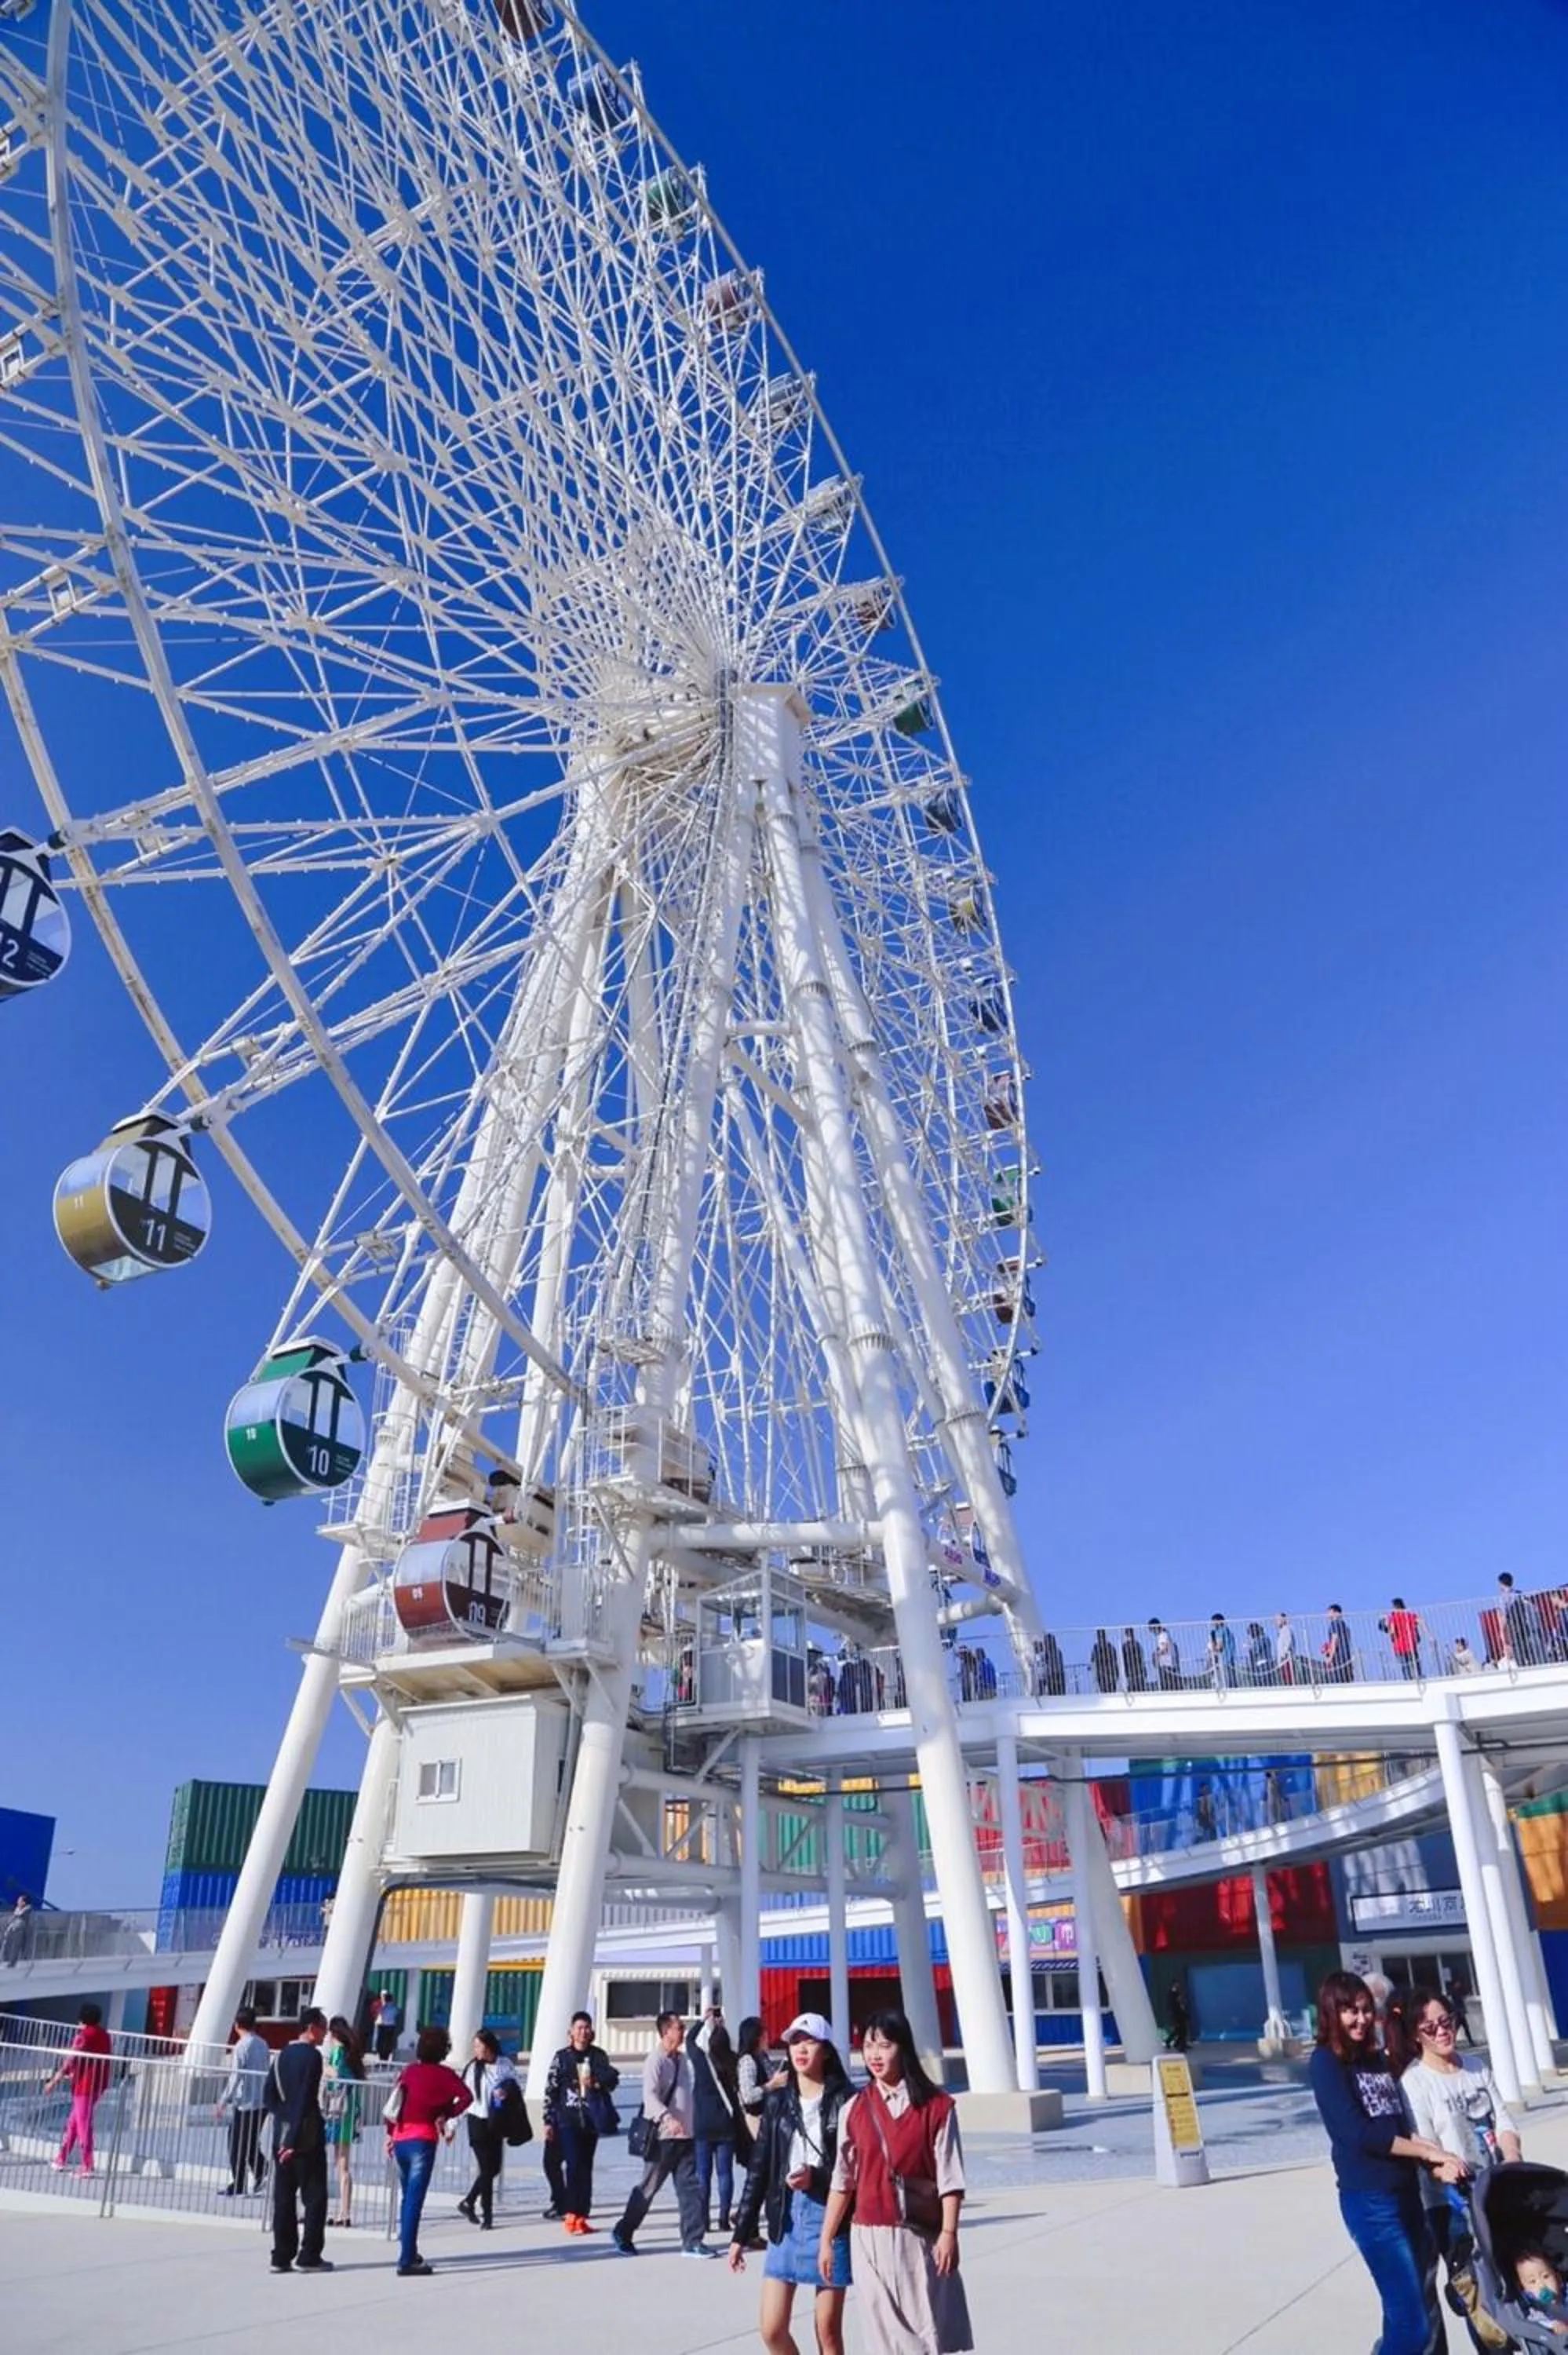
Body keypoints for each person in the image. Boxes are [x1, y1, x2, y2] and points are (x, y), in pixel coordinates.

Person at [1308, 1970, 1458, 2355]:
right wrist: (1424, 2151)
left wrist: (1434, 2153)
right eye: (1349, 2012)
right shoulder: (1326, 2063)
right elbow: (1358, 2134)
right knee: (1412, 2326)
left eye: (1364, 2010)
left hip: (1409, 2196)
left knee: (1407, 2311)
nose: (1360, 2020)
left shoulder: (1375, 2059)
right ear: (1331, 2013)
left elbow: (1398, 2123)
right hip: (1372, 2204)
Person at [820, 2008, 971, 2355]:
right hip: (868, 2238)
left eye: (884, 2045)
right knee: (883, 2338)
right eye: (868, 2045)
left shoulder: (937, 2107)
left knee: (924, 2332)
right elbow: (842, 2181)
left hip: (918, 2237)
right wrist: (827, 2239)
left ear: (902, 2048)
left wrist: (950, 2234)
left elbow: (950, 2177)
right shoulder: (854, 2109)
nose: (874, 2055)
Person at [1387, 1984, 1521, 2351]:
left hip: (1498, 2193)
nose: (1442, 2031)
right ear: (1416, 2035)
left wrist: (1512, 2162)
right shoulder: (1414, 2082)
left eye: (1446, 2022)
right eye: (1430, 2027)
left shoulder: (1476, 2067)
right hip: (1453, 2206)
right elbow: (1425, 2146)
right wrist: (1444, 2169)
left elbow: (1504, 2121)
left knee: (1516, 2281)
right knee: (1478, 2293)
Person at [728, 2012, 853, 2355]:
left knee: (827, 2331)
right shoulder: (778, 2101)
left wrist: (817, 2177)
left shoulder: (846, 2101)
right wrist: (741, 2233)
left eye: (809, 2041)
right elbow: (759, 2168)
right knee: (771, 2329)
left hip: (829, 2217)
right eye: (795, 2041)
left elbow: (853, 2171)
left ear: (826, 2050)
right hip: (785, 2216)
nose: (800, 2049)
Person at [612, 2010, 713, 2257]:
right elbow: (649, 2097)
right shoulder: (655, 2060)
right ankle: (623, 2231)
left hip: (686, 2136)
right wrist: (668, 2118)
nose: (683, 2030)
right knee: (648, 2188)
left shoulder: (682, 2059)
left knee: (691, 2190)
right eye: (679, 2027)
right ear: (666, 2031)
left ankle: (692, 2241)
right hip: (663, 2138)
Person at [386, 2024, 469, 2276]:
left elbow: (395, 2103)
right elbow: (467, 2097)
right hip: (423, 2139)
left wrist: (390, 2135)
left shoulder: (409, 2072)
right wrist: (446, 2113)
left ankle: (408, 2251)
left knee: (406, 2198)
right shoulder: (445, 2075)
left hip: (401, 2136)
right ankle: (407, 2259)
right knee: (415, 2200)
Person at [264, 2006, 332, 2273]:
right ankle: (309, 2255)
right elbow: (305, 2097)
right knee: (314, 2197)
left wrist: (284, 2125)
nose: (326, 2034)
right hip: (305, 2136)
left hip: (280, 2135)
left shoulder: (281, 2056)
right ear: (312, 2027)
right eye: (323, 2028)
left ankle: (281, 2255)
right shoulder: (312, 2058)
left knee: (283, 2198)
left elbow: (268, 2096)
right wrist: (293, 2137)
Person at [542, 2009, 620, 2232]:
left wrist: (595, 2082)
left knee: (586, 2167)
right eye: (579, 2028)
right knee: (573, 2165)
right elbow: (551, 2089)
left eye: (587, 2028)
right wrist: (548, 2120)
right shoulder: (562, 2057)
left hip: (591, 2119)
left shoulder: (598, 2056)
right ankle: (570, 2212)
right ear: (571, 2032)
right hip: (567, 2119)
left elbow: (612, 2079)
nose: (583, 2032)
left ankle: (582, 2215)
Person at [44, 2000, 112, 2178]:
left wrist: (54, 2081)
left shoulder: (83, 2036)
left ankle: (87, 2165)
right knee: (74, 2123)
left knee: (82, 2125)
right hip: (99, 2084)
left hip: (84, 2085)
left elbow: (70, 2061)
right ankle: (61, 2158)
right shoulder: (104, 2035)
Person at [458, 2027, 516, 2231]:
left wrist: (505, 2092)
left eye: (479, 2046)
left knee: (494, 2168)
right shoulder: (473, 2069)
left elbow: (513, 2084)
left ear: (489, 2046)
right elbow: (463, 2098)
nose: (476, 2050)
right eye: (474, 2046)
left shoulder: (504, 2064)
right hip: (477, 2121)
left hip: (496, 2121)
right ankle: (487, 2216)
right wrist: (451, 2124)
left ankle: (468, 2202)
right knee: (486, 2168)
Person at [691, 2010, 741, 2235]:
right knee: (725, 2173)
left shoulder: (701, 2060)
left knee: (703, 2175)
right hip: (726, 2123)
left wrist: (704, 2020)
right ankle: (723, 2218)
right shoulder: (734, 2060)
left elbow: (689, 2040)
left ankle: (703, 2220)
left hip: (702, 2124)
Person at [214, 2004, 271, 2196]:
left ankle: (241, 2181)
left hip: (245, 2103)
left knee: (236, 2143)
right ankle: (261, 2170)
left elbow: (235, 2076)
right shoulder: (263, 2043)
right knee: (250, 2141)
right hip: (262, 2101)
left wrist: (223, 2101)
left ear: (237, 2025)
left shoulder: (241, 2047)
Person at [321, 2014, 366, 2228]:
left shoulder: (338, 2053)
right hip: (350, 2110)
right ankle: (344, 2211)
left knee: (340, 2163)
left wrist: (324, 2068)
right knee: (343, 2163)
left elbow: (336, 2074)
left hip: (339, 2111)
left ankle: (344, 2211)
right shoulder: (352, 2054)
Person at [1380, 1597, 1424, 1680]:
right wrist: (1429, 1635)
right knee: (1415, 1662)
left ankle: (1408, 1680)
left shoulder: (1393, 1617)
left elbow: (1392, 1631)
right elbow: (1421, 1621)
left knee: (1405, 1665)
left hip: (1400, 1646)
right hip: (1411, 1644)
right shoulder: (1409, 1615)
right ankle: (1419, 1676)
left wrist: (1386, 1627)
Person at [1322, 1602, 1354, 1682]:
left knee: (1338, 1679)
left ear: (1336, 1613)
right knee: (1347, 1679)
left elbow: (1334, 1640)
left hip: (1339, 1657)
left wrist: (1330, 1657)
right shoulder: (1344, 1625)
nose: (1328, 1615)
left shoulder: (1334, 1624)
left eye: (1330, 1612)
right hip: (1346, 1656)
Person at [1, 1893, 32, 1965]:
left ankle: (12, 1962)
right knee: (6, 1944)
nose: (18, 1902)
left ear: (24, 1902)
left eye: (19, 1900)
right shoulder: (17, 1910)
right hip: (12, 1929)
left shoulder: (27, 1911)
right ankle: (4, 1959)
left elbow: (19, 1915)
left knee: (15, 1946)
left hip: (18, 1930)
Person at [1209, 1613, 1237, 1689]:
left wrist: (1212, 1647)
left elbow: (1220, 1646)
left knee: (1225, 1680)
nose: (1213, 1624)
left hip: (1224, 1659)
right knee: (1232, 1680)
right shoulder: (1228, 1631)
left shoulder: (1220, 1631)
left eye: (1214, 1621)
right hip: (1230, 1658)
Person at [373, 1988, 402, 2062]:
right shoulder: (395, 2007)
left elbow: (377, 2013)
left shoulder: (383, 2008)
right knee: (389, 2043)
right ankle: (386, 2056)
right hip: (391, 2026)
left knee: (381, 2043)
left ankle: (382, 2057)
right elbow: (398, 2013)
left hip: (383, 2026)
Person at [1150, 1618, 1180, 1689]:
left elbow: (1165, 1649)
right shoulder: (1164, 1634)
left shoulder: (1163, 1635)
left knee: (1168, 1684)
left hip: (1167, 1664)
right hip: (1166, 1664)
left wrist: (1156, 1654)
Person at [1163, 1981, 1191, 2054]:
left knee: (1180, 2030)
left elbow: (1180, 2004)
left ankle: (1178, 2043)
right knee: (1181, 2030)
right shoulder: (1172, 1995)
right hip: (1177, 2015)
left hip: (1180, 2015)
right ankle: (1180, 2045)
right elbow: (1175, 2006)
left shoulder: (1177, 1994)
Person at [1088, 1629, 1118, 1693]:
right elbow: (1115, 1660)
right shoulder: (1109, 1647)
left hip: (1104, 1673)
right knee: (1110, 1691)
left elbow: (1092, 1659)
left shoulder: (1097, 1647)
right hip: (1109, 1673)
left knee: (1105, 1691)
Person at [1120, 1626, 1148, 1692]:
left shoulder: (1129, 1645)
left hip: (1135, 1671)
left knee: (1137, 1688)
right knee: (1138, 1688)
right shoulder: (1134, 1645)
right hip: (1134, 1671)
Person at [1245, 1621, 1273, 1685]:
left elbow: (1256, 1651)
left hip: (1262, 1663)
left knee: (1262, 1683)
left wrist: (1250, 1647)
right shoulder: (1265, 1638)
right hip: (1266, 1663)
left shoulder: (1261, 1639)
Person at [1274, 1611, 1296, 1684]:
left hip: (1286, 1659)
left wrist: (1283, 1654)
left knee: (1288, 1678)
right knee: (1285, 1678)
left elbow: (1288, 1643)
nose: (1277, 1622)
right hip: (1283, 1660)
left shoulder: (1286, 1629)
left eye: (1278, 1619)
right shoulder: (1281, 1631)